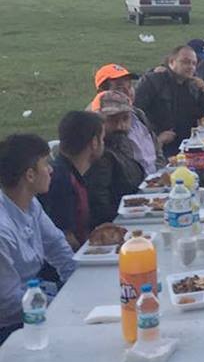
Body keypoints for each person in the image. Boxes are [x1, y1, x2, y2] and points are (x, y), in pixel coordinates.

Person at [0, 134, 76, 345]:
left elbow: (58, 247)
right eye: (46, 164)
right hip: (12, 327)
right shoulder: (3, 230)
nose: (51, 170)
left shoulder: (30, 204)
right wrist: (62, 307)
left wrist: (78, 286)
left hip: (35, 301)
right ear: (30, 175)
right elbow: (8, 302)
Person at [39, 111, 104, 250]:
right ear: (94, 142)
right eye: (102, 139)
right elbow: (65, 238)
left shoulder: (70, 173)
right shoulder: (62, 180)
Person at [134, 44, 204, 156]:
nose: (190, 67)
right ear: (171, 62)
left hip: (187, 144)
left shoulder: (192, 85)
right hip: (162, 148)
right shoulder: (153, 81)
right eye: (185, 62)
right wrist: (157, 138)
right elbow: (135, 115)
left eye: (194, 63)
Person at [86, 91, 147, 227]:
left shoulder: (121, 142)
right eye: (113, 120)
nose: (121, 126)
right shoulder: (100, 157)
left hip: (136, 214)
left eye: (125, 119)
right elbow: (100, 208)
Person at [94, 63, 164, 175]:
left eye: (130, 86)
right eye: (120, 88)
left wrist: (159, 175)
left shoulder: (139, 114)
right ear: (102, 92)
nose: (128, 92)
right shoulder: (103, 126)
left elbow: (157, 150)